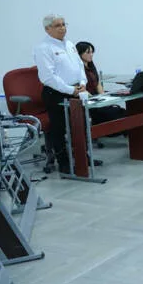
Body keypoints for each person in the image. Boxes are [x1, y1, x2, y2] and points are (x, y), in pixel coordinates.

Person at [34, 14, 87, 174]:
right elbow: (48, 77)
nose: (62, 28)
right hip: (56, 93)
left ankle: (83, 159)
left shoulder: (69, 44)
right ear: (47, 29)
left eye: (64, 24)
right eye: (58, 25)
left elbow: (80, 66)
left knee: (80, 125)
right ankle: (64, 163)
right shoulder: (43, 48)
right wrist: (70, 90)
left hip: (76, 90)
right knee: (59, 129)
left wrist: (82, 83)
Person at [75, 41, 125, 126]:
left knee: (121, 112)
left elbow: (97, 83)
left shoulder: (91, 67)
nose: (91, 55)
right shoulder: (77, 69)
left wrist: (103, 97)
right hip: (89, 102)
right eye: (88, 52)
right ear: (79, 54)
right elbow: (81, 88)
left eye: (92, 52)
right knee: (115, 114)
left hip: (97, 99)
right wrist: (94, 98)